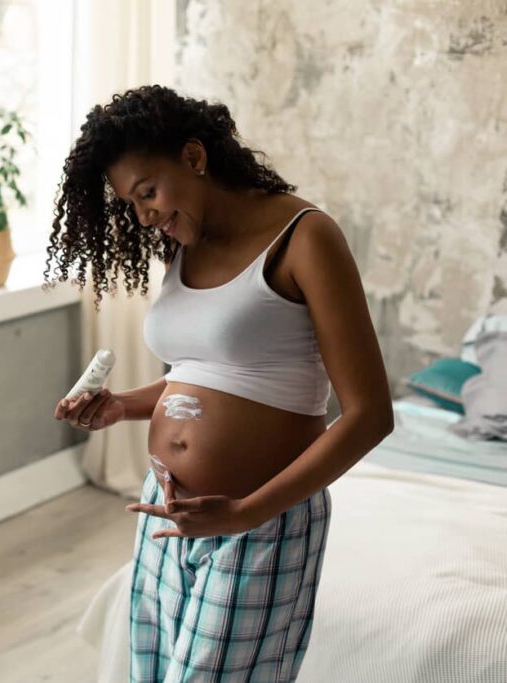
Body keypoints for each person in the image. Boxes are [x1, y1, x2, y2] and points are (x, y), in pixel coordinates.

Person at [50, 85, 394, 682]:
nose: (145, 216)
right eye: (131, 205)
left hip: (262, 519)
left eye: (148, 193)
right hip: (167, 512)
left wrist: (243, 512)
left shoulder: (306, 238)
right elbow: (208, 377)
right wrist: (120, 407)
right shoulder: (184, 243)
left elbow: (370, 414)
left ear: (193, 157)